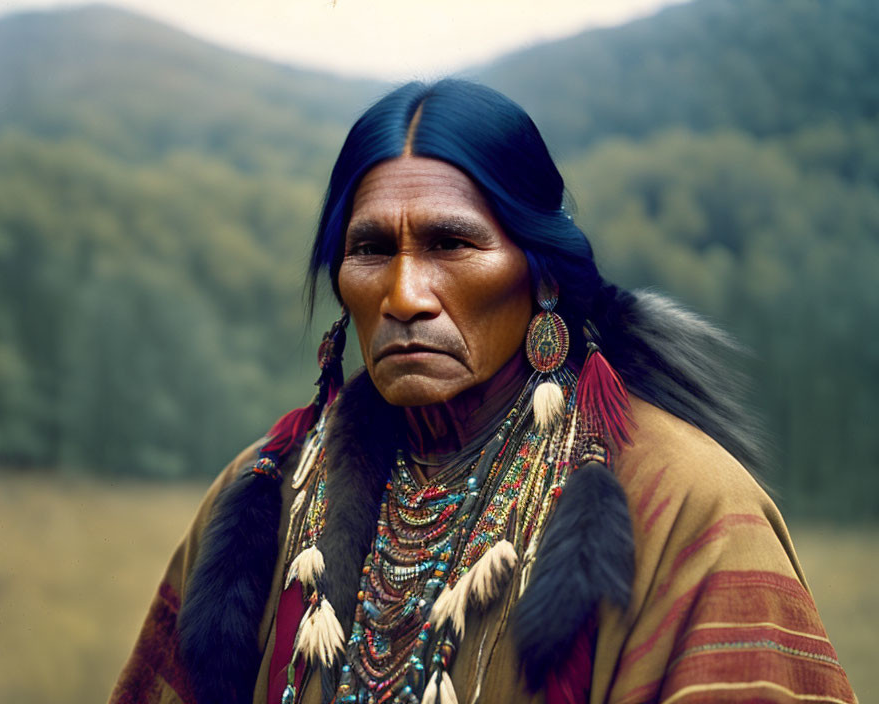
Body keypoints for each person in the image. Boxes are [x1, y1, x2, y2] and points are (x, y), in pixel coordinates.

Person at [110, 80, 856, 704]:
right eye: (370, 249)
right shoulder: (261, 495)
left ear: (544, 272)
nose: (404, 295)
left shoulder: (686, 506)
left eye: (450, 244)